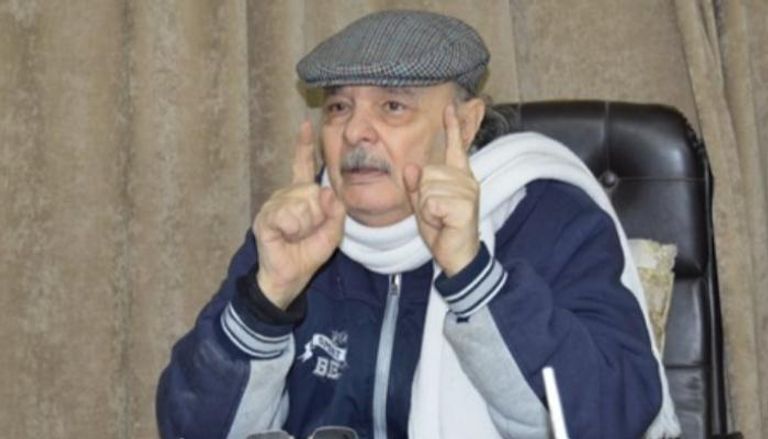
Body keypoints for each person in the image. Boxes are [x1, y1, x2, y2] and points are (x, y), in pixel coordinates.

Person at [156, 10, 680, 439]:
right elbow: (189, 429)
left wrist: (474, 276)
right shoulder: (300, 229)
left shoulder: (548, 217)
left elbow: (610, 420)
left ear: (466, 124)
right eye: (338, 107)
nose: (356, 132)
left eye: (392, 106)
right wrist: (267, 299)